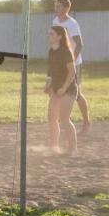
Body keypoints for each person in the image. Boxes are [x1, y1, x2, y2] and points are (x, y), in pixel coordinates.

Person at [53, 0, 92, 133]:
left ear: (65, 9)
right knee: (59, 90)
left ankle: (86, 122)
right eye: (55, 6)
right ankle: (62, 122)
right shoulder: (55, 21)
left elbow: (79, 44)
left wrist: (71, 62)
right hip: (61, 63)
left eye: (58, 7)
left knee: (77, 94)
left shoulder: (72, 24)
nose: (56, 9)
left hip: (74, 63)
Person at [43, 25, 78, 154]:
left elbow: (72, 72)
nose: (48, 36)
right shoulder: (51, 51)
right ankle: (54, 147)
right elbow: (51, 70)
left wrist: (63, 88)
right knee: (52, 118)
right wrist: (48, 85)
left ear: (59, 36)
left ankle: (72, 148)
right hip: (56, 89)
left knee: (64, 119)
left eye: (51, 34)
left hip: (68, 90)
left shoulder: (66, 52)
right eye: (49, 33)